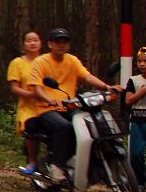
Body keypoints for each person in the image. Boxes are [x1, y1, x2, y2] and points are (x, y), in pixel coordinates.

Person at [28, 28, 115, 182]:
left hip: (69, 106)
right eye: (58, 42)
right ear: (50, 44)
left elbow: (86, 76)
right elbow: (36, 88)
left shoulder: (72, 60)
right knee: (65, 126)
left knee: (89, 125)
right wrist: (49, 99)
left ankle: (90, 164)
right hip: (46, 109)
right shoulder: (40, 62)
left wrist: (106, 87)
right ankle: (56, 167)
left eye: (65, 42)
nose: (61, 45)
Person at [6, 31, 47, 175]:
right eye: (29, 40)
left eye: (35, 40)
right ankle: (32, 160)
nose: (33, 43)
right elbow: (15, 88)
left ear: (41, 43)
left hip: (48, 105)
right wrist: (32, 94)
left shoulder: (46, 61)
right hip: (28, 107)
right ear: (24, 44)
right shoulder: (17, 63)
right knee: (31, 125)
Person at [123, 47, 146, 187]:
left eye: (145, 61)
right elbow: (129, 100)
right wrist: (143, 90)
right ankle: (139, 183)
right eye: (139, 61)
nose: (142, 64)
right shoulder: (133, 80)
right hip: (137, 121)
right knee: (136, 154)